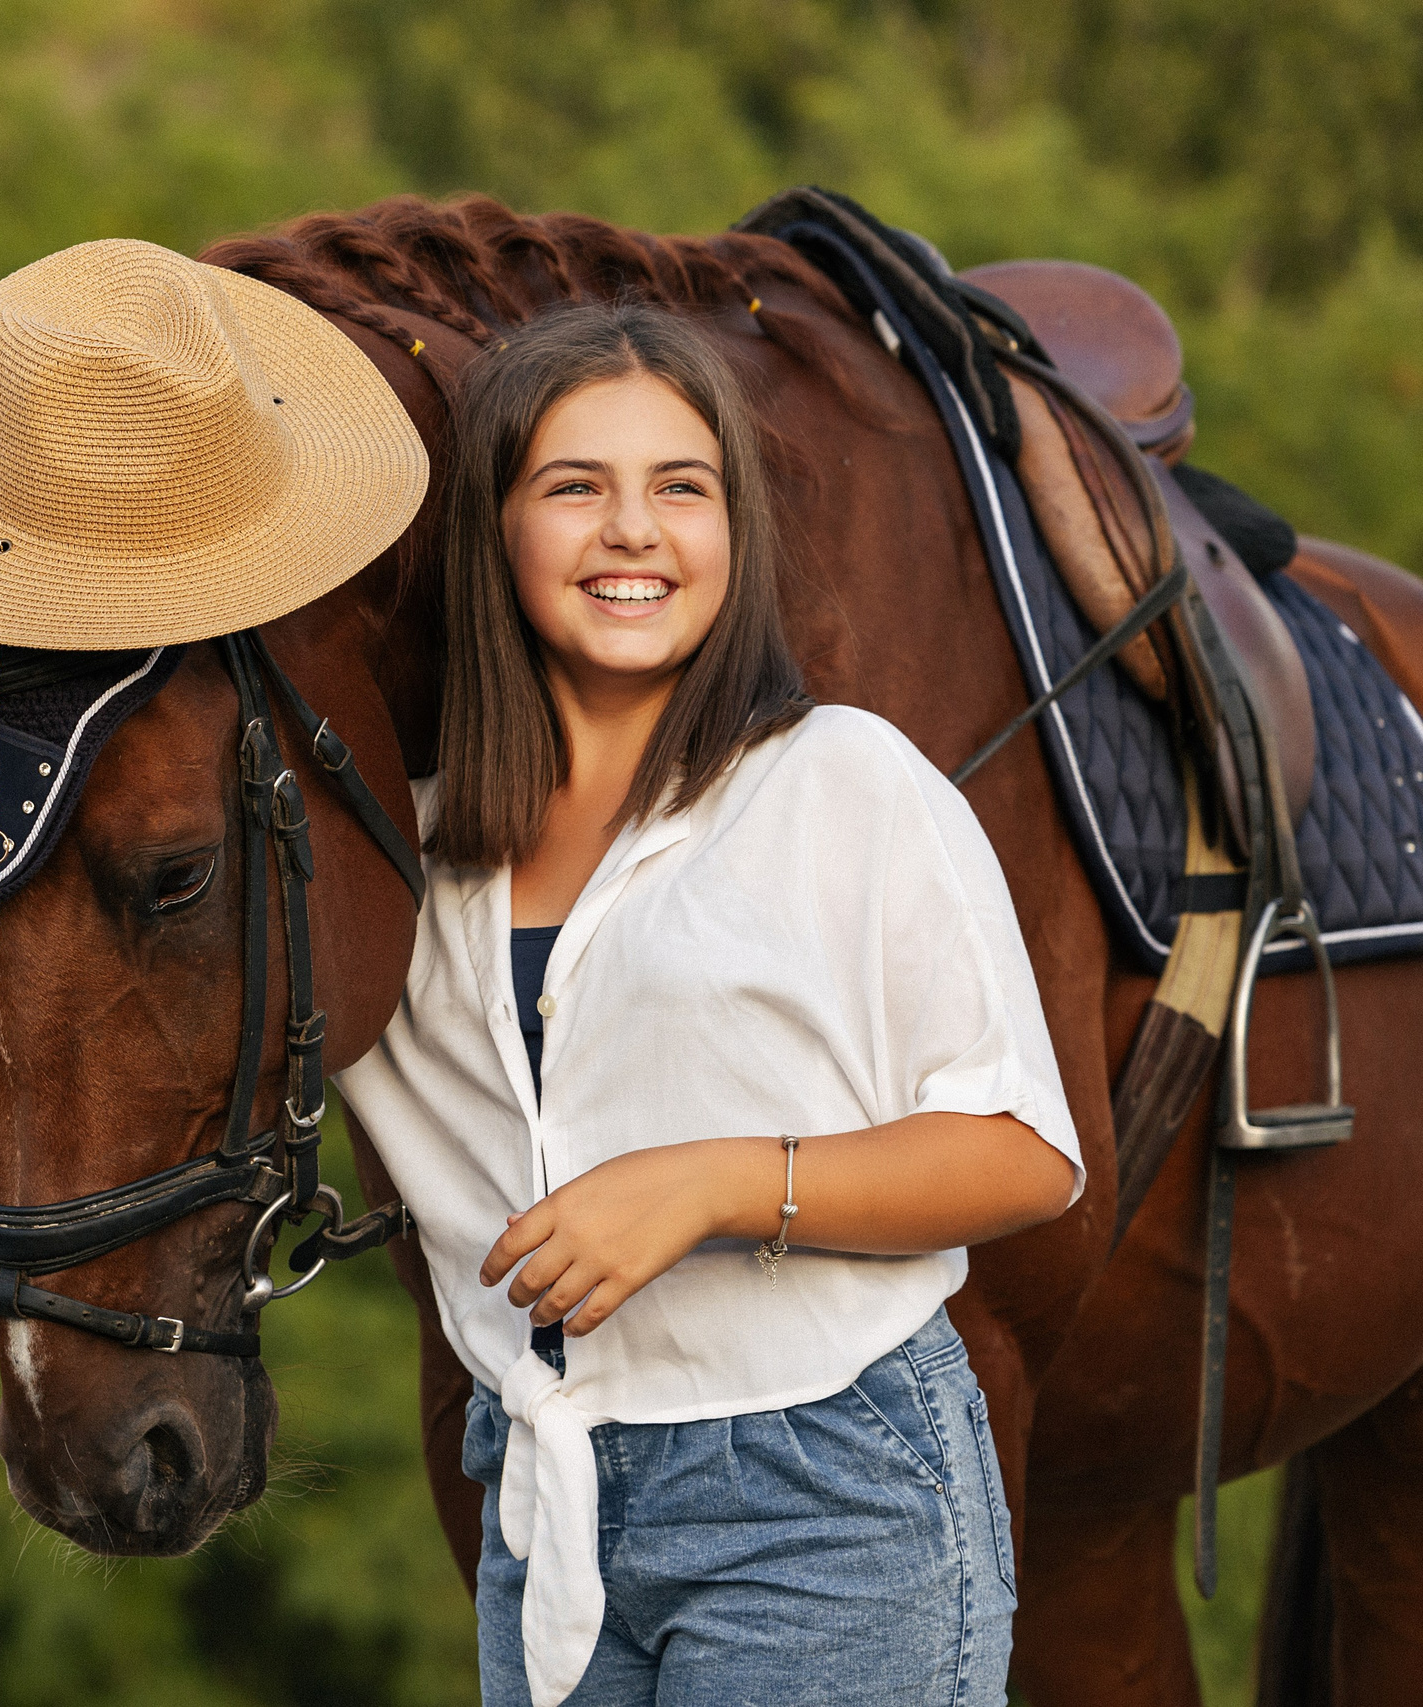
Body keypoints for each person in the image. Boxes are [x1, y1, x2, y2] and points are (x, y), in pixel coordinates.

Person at [334, 301, 1083, 1706]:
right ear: (495, 534)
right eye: (575, 487)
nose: (635, 530)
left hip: (828, 1496)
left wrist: (712, 1186)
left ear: (735, 534)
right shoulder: (404, 865)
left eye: (682, 488)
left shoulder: (842, 783)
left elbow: (1021, 1153)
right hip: (540, 1508)